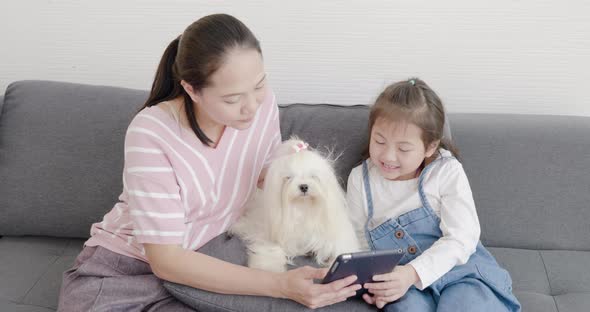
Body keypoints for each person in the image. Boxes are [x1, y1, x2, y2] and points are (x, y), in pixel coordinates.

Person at [58, 13, 360, 311]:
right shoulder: (151, 131)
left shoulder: (263, 106)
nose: (251, 107)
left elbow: (265, 176)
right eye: (232, 99)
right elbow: (166, 260)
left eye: (259, 85)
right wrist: (281, 286)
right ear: (191, 89)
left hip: (210, 256)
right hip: (131, 268)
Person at [346, 78, 521, 311]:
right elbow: (358, 242)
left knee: (469, 305)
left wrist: (413, 272)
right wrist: (373, 286)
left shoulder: (446, 171)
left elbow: (462, 237)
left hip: (460, 272)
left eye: (403, 148)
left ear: (430, 147)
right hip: (402, 284)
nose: (388, 156)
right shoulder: (360, 179)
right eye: (379, 141)